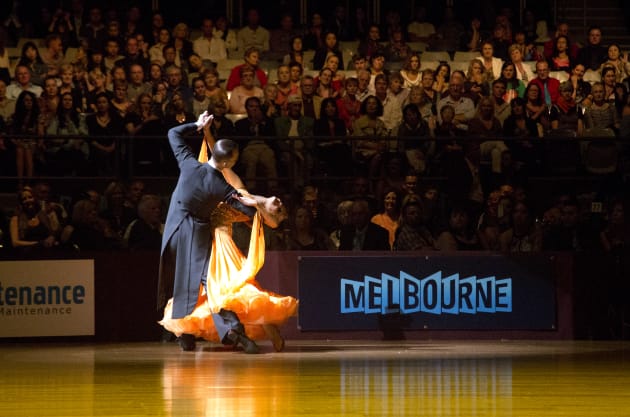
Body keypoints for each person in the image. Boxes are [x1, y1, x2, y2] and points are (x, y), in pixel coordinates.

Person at [158, 112, 293, 352]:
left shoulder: (190, 164)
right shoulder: (222, 185)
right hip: (199, 235)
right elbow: (242, 202)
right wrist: (260, 204)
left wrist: (199, 126)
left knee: (196, 285)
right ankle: (231, 331)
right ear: (227, 163)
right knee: (214, 285)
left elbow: (174, 134)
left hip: (180, 230)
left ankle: (189, 332)